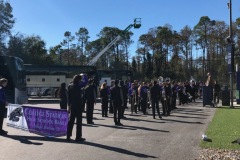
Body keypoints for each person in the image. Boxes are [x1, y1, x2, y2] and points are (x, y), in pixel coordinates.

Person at [67, 75, 85, 142]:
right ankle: (78, 137)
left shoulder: (70, 86)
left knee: (71, 121)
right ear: (79, 80)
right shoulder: (79, 87)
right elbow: (80, 97)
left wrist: (69, 106)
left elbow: (69, 97)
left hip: (72, 106)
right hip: (78, 106)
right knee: (79, 122)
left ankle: (68, 136)